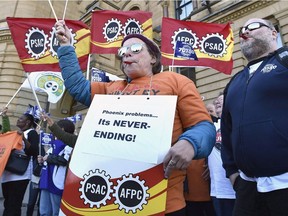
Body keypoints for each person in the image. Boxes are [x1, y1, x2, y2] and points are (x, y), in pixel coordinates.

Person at [55, 20, 216, 215]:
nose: (127, 53)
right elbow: (77, 87)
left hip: (164, 203)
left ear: (154, 58)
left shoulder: (177, 81)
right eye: (122, 52)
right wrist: (66, 47)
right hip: (110, 200)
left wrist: (190, 143)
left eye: (136, 48)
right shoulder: (110, 88)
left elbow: (204, 127)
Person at [221, 18, 288, 215]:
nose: (245, 32)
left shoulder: (284, 61)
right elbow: (227, 130)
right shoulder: (234, 81)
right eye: (242, 29)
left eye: (253, 27)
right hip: (248, 188)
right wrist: (232, 172)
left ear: (273, 33)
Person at [1, 112, 39, 216]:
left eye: (21, 118)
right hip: (8, 174)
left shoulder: (32, 133)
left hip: (20, 175)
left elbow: (34, 151)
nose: (18, 120)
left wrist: (23, 138)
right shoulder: (15, 132)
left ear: (28, 122)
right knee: (8, 203)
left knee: (14, 205)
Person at [37, 119, 74, 216]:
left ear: (61, 129)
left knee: (55, 211)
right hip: (46, 180)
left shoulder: (69, 145)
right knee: (44, 211)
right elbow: (48, 158)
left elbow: (64, 160)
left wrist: (49, 158)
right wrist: (42, 160)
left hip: (57, 181)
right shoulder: (53, 143)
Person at [208, 93, 235, 216]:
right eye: (216, 101)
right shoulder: (211, 127)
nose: (217, 102)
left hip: (236, 187)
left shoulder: (235, 124)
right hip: (217, 189)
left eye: (222, 100)